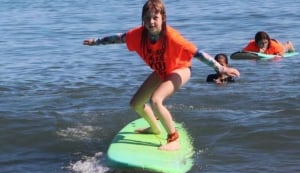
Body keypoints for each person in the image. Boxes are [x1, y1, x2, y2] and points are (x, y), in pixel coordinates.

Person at [83, 0, 240, 151]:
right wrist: (95, 42)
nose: (151, 22)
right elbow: (118, 38)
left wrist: (220, 68)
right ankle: (154, 128)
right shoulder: (138, 35)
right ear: (143, 19)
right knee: (136, 104)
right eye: (147, 18)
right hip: (162, 71)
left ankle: (173, 139)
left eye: (155, 18)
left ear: (163, 18)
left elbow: (197, 54)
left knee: (156, 100)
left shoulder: (172, 36)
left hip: (181, 69)